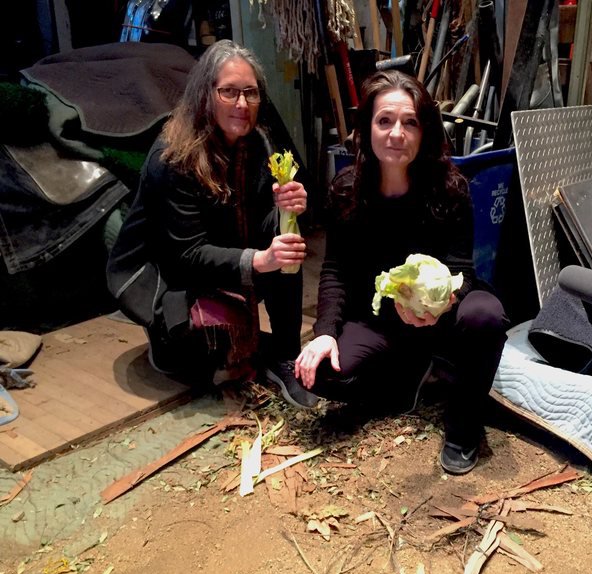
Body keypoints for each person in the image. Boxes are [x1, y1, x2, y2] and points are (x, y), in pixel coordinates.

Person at [294, 70, 509, 474]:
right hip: (378, 322)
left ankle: (463, 424)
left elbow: (463, 269)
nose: (397, 133)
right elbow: (335, 269)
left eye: (410, 122)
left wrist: (444, 305)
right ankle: (416, 376)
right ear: (367, 130)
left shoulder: (450, 188)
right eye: (384, 121)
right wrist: (324, 331)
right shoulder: (345, 189)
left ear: (425, 131)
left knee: (485, 314)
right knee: (316, 372)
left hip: (438, 320)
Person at [106, 40, 319, 409]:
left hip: (221, 252)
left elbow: (262, 224)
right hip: (170, 274)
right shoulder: (173, 157)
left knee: (288, 243)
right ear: (206, 94)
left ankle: (284, 353)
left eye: (250, 93)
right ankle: (170, 344)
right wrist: (258, 261)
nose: (241, 104)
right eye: (229, 92)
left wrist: (289, 210)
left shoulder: (259, 143)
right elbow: (185, 254)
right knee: (206, 359)